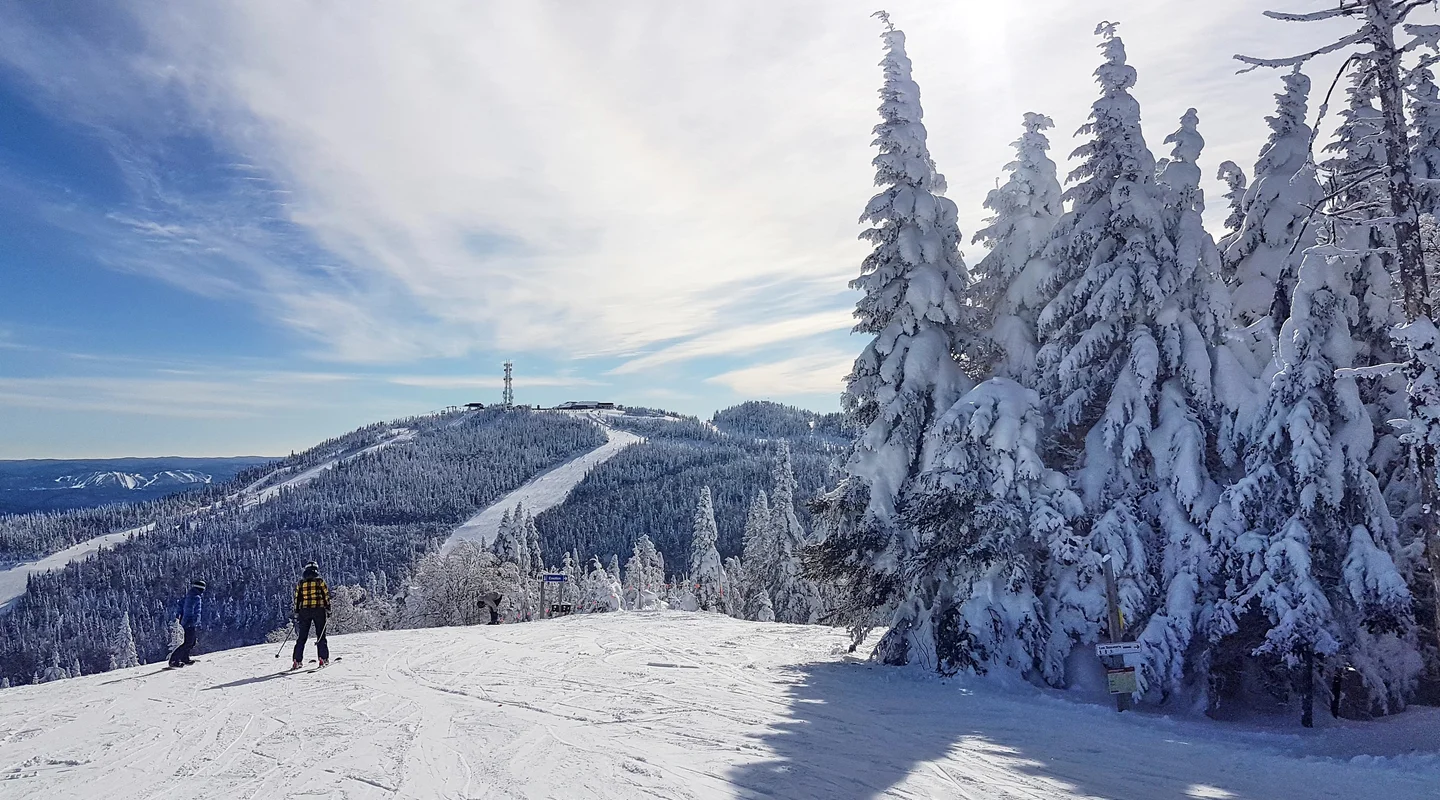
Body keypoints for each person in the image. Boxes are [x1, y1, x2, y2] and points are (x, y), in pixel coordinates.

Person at [291, 562, 331, 669]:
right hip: (319, 610)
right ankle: (323, 658)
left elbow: (297, 598)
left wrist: (297, 611)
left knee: (302, 637)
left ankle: (297, 660)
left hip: (304, 611)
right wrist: (328, 608)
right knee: (321, 635)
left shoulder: (301, 583)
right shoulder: (320, 581)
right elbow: (326, 595)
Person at [168, 579, 206, 667]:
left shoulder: (190, 595)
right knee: (188, 642)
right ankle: (174, 660)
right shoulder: (195, 597)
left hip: (187, 621)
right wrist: (192, 620)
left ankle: (184, 658)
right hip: (190, 622)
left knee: (191, 642)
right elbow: (190, 609)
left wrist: (179, 615)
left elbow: (180, 604)